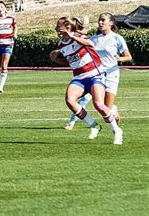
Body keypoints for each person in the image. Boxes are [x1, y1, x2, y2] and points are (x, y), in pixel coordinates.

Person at [51, 16, 123, 145]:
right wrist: (55, 59)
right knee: (70, 100)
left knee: (99, 105)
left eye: (59, 26)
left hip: (95, 74)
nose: (56, 28)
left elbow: (91, 44)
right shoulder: (61, 43)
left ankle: (117, 131)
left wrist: (73, 36)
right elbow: (71, 62)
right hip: (79, 77)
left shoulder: (79, 36)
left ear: (67, 27)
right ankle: (94, 125)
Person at [62, 13, 132, 131]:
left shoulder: (117, 38)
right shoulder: (94, 39)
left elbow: (128, 57)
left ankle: (113, 109)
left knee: (106, 111)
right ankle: (71, 122)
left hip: (111, 75)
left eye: (103, 20)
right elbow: (80, 41)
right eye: (99, 20)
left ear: (111, 23)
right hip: (95, 73)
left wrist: (119, 58)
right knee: (83, 99)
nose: (100, 23)